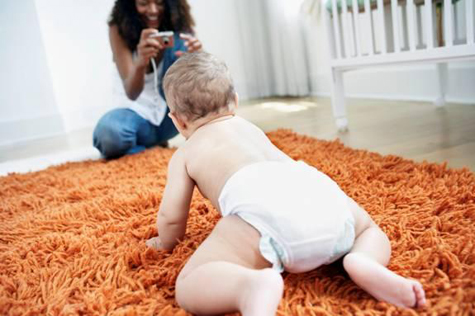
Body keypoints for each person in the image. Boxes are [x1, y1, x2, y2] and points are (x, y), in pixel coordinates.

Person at [146, 52, 426, 315]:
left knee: (189, 284)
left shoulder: (186, 152)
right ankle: (363, 260)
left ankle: (248, 287)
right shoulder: (249, 129)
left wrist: (164, 241)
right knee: (367, 228)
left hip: (262, 212)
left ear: (177, 121)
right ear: (235, 101)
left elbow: (172, 220)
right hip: (311, 189)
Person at [93, 0, 202, 159]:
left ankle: (143, 150)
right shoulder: (118, 29)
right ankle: (152, 150)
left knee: (180, 43)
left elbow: (196, 95)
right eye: (143, 3)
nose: (152, 10)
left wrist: (198, 59)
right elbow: (132, 92)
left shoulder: (180, 28)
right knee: (108, 133)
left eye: (159, 3)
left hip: (172, 118)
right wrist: (140, 62)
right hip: (135, 116)